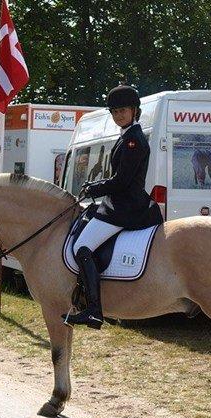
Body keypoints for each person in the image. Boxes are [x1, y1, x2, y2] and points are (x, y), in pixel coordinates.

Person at [63, 85, 163, 329]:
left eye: (123, 110)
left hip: (124, 207)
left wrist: (95, 188)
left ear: (134, 111)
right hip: (117, 203)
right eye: (115, 111)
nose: (119, 115)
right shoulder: (126, 135)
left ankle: (94, 311)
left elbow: (122, 181)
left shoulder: (134, 141)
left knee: (83, 247)